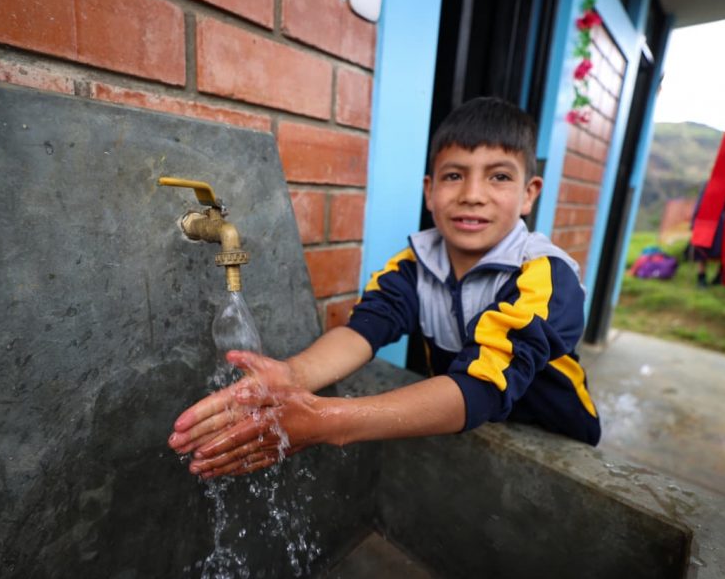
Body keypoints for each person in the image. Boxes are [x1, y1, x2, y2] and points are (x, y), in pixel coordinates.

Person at [168, 97, 601, 479]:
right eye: (454, 175)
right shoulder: (414, 266)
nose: (472, 194)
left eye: (499, 177)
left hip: (559, 445)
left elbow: (482, 387)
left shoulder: (546, 276)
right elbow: (362, 331)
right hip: (471, 427)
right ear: (429, 191)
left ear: (529, 194)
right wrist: (292, 375)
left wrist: (328, 419)